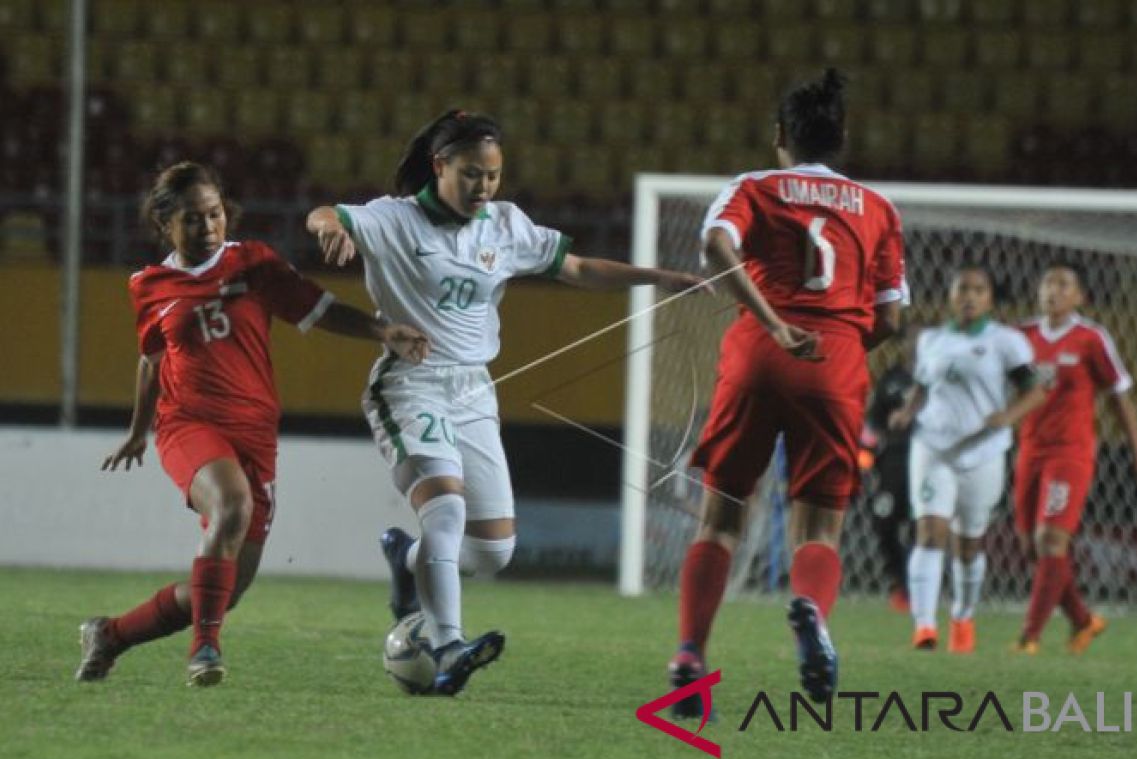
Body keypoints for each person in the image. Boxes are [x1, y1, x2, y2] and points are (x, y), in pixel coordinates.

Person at [305, 109, 705, 696]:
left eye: (492, 175)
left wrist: (660, 277)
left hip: (473, 391)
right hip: (410, 384)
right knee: (446, 509)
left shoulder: (505, 225)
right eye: (471, 174)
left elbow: (577, 267)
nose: (484, 187)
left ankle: (408, 560)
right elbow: (326, 213)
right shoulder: (395, 220)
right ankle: (446, 646)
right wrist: (329, 228)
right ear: (440, 166)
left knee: (494, 551)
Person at [76, 162, 425, 687]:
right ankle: (205, 652)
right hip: (188, 424)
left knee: (224, 588)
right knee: (231, 504)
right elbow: (151, 359)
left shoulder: (254, 264)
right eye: (193, 219)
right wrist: (138, 430)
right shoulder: (148, 285)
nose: (208, 227)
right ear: (166, 224)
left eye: (215, 214)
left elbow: (317, 308)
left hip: (256, 435)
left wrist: (382, 331)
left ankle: (110, 635)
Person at [666, 68, 907, 715]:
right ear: (843, 138)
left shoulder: (752, 187)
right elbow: (892, 318)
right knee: (819, 526)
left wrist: (774, 323)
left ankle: (691, 653)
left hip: (757, 355)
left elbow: (717, 243)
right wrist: (839, 349)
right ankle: (809, 610)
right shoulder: (878, 208)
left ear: (780, 135)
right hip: (834, 361)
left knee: (721, 518)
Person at [888, 267, 1045, 653]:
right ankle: (924, 626)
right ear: (951, 296)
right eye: (962, 289)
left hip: (982, 451)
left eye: (978, 289)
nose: (969, 296)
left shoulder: (1007, 342)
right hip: (933, 447)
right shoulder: (932, 340)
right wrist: (907, 413)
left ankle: (962, 615)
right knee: (929, 532)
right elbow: (923, 388)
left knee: (968, 544)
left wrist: (1007, 417)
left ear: (990, 298)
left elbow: (1034, 391)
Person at [1012, 263, 1137, 654]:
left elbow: (1118, 396)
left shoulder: (1091, 338)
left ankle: (1029, 638)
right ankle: (1084, 621)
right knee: (1031, 547)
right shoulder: (1021, 336)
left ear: (1080, 297)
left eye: (1063, 284)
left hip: (1070, 453)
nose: (1053, 290)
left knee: (1051, 538)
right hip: (1030, 449)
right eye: (1047, 283)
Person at [859, 324, 920, 613]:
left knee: (925, 526)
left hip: (929, 460)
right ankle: (898, 582)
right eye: (913, 340)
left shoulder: (942, 377)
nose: (918, 345)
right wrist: (865, 453)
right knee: (884, 521)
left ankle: (921, 585)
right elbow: (874, 421)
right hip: (893, 461)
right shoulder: (893, 379)